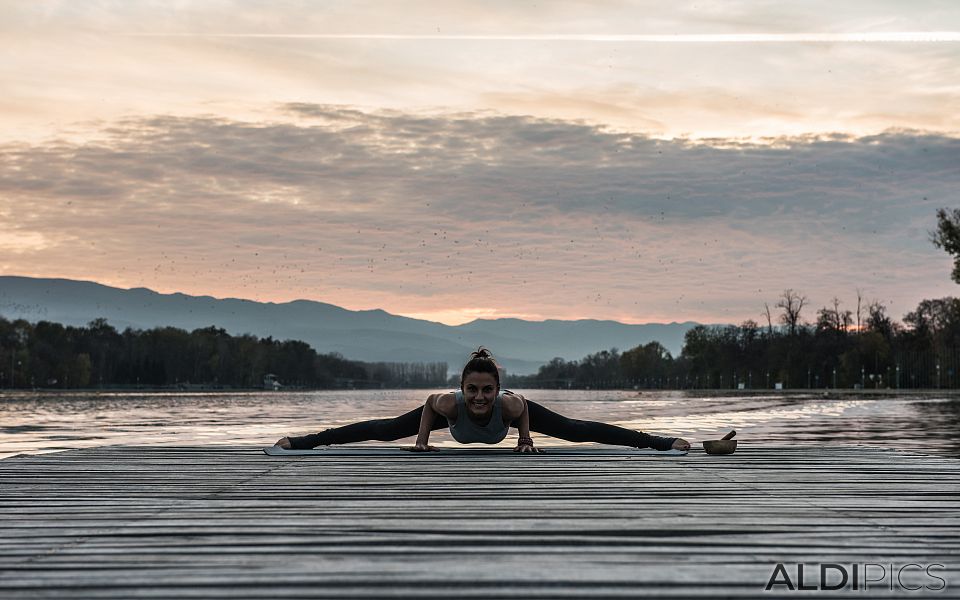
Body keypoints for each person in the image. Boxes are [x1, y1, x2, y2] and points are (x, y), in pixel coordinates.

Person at [275, 347, 690, 453]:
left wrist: (524, 439)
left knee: (577, 431)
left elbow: (522, 406)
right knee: (383, 432)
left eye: (486, 390)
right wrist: (421, 440)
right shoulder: (449, 404)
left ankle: (658, 442)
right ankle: (303, 442)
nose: (478, 396)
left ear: (496, 389)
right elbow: (426, 404)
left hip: (511, 421)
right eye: (472, 389)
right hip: (449, 421)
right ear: (462, 388)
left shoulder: (509, 405)